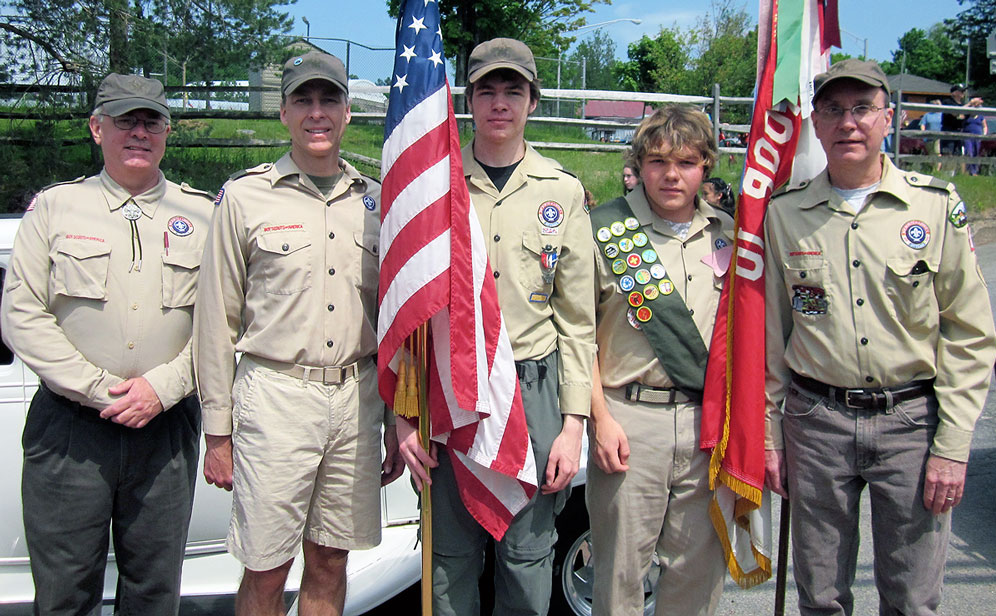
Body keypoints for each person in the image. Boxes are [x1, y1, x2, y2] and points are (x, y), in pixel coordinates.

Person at [763, 59, 996, 615]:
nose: (849, 122)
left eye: (863, 109)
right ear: (815, 124)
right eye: (834, 110)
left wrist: (954, 447)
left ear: (887, 118)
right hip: (816, 422)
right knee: (820, 597)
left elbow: (970, 335)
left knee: (912, 599)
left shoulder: (934, 207)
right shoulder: (785, 215)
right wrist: (771, 436)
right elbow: (772, 336)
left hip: (911, 425)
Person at [194, 51, 403, 616]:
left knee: (331, 561)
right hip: (276, 397)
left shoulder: (378, 202)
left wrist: (393, 416)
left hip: (357, 398)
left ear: (347, 112)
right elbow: (216, 321)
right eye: (304, 101)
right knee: (266, 568)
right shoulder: (244, 198)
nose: (317, 113)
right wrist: (217, 432)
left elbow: (394, 322)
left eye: (329, 100)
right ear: (283, 113)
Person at [395, 37, 595, 616]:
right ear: (467, 100)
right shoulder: (434, 189)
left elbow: (578, 320)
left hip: (534, 391)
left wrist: (573, 424)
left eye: (514, 90)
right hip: (451, 391)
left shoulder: (562, 192)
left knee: (528, 556)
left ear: (533, 100)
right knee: (450, 558)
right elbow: (410, 313)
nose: (500, 103)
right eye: (487, 90)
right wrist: (405, 414)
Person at [1, 73, 213, 615]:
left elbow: (225, 324)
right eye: (125, 121)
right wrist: (102, 391)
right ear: (97, 129)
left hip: (165, 430)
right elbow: (22, 315)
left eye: (152, 121)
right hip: (70, 430)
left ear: (168, 132)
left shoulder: (207, 216)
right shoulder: (54, 209)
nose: (139, 132)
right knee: (66, 593)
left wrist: (162, 389)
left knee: (153, 593)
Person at [586, 106, 732, 616]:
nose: (672, 175)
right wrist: (600, 420)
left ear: (705, 168)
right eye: (658, 161)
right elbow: (578, 337)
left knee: (696, 576)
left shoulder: (731, 237)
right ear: (639, 164)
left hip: (705, 426)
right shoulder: (602, 230)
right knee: (619, 579)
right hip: (629, 422)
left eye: (687, 162)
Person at [920, 99, 944, 170]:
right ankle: (932, 168)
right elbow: (922, 124)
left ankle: (937, 170)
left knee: (937, 152)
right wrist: (923, 133)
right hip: (928, 137)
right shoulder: (927, 115)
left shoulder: (942, 115)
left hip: (939, 137)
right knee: (931, 153)